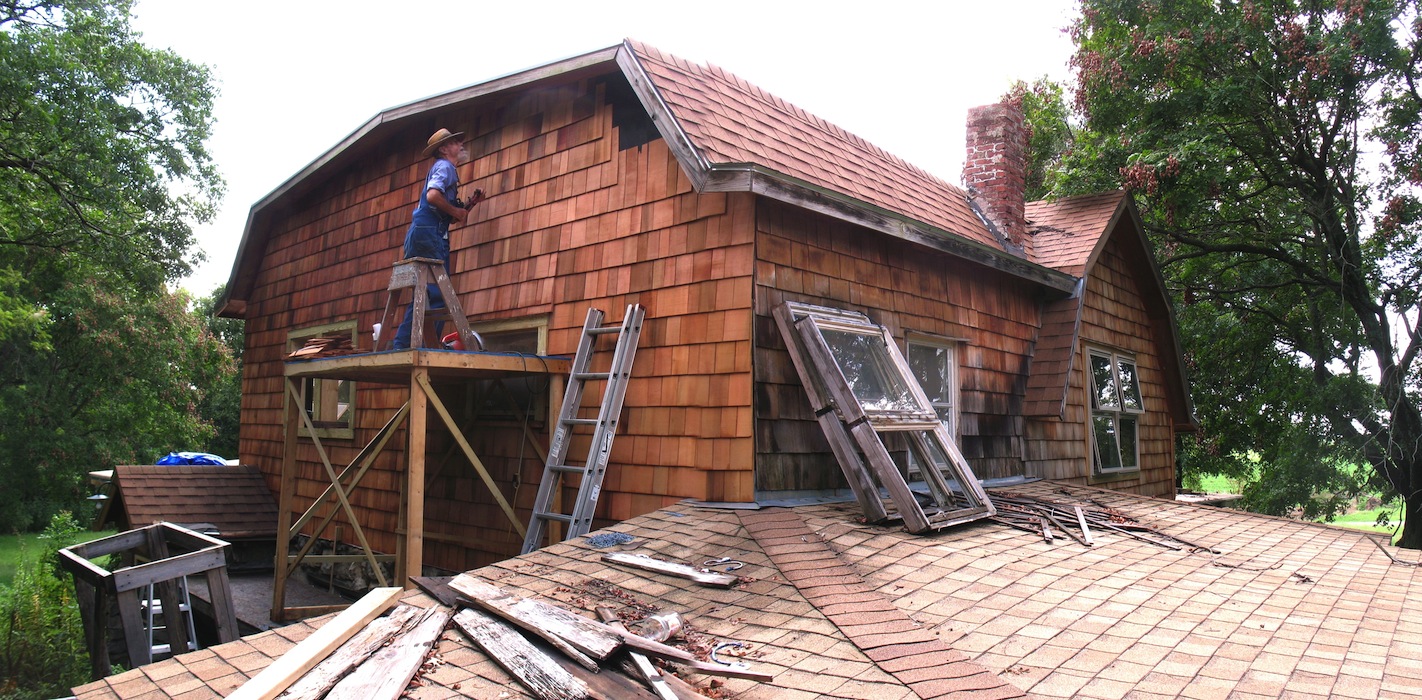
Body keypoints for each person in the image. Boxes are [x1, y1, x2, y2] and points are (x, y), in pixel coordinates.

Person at [391, 128, 486, 349]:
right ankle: (424, 347)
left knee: (423, 297)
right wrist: (455, 211)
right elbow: (433, 196)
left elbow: (451, 215)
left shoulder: (443, 169)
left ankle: (403, 345)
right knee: (437, 295)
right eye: (455, 142)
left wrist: (470, 204)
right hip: (430, 234)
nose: (461, 145)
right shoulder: (445, 167)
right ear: (443, 149)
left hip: (422, 233)